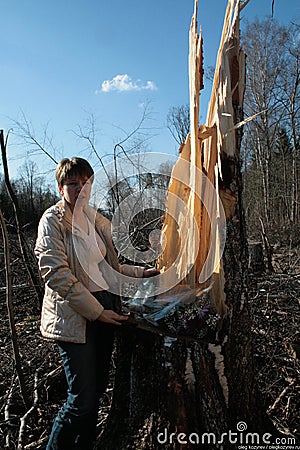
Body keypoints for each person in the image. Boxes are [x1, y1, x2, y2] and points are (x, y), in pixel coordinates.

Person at [35, 157, 157, 449]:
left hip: (105, 306)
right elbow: (56, 273)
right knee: (81, 399)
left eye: (86, 183)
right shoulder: (53, 221)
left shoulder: (96, 220)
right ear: (60, 187)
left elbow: (109, 268)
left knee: (97, 390)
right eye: (73, 184)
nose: (81, 189)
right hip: (76, 315)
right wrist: (96, 311)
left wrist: (143, 272)